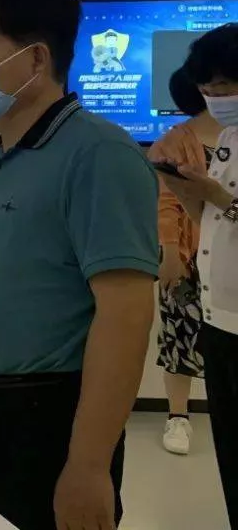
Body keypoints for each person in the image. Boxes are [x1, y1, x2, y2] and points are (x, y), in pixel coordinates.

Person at [0, 0, 158, 530]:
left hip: (45, 422)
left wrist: (88, 465)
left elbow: (126, 315)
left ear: (36, 58)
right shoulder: (3, 154)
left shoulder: (99, 154)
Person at [156, 23, 238, 528]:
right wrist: (192, 193)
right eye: (207, 88)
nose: (215, 98)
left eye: (224, 86)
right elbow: (215, 221)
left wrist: (219, 198)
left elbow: (228, 208)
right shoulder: (226, 138)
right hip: (219, 315)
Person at [147, 64, 219, 455]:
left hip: (230, 257)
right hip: (190, 256)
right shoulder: (175, 141)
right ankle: (178, 416)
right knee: (180, 334)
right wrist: (170, 251)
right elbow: (167, 201)